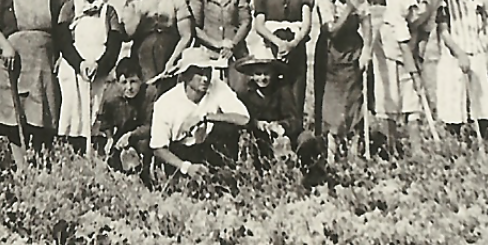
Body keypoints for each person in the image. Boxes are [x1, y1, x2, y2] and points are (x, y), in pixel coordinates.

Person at [0, 0, 68, 169]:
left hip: (43, 61)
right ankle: (22, 168)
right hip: (13, 61)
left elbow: (63, 28)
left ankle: (43, 166)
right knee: (15, 115)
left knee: (43, 112)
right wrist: (6, 47)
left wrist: (61, 56)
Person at [373, 0, 445, 153]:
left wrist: (418, 60)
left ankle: (417, 148)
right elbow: (401, 36)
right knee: (391, 97)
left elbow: (425, 32)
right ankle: (391, 146)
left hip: (411, 44)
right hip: (388, 46)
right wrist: (413, 71)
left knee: (413, 97)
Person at [56, 0, 125, 153]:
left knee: (97, 109)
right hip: (74, 66)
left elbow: (114, 42)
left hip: (99, 67)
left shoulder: (108, 10)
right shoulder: (70, 7)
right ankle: (72, 154)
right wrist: (80, 64)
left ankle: (97, 154)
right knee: (74, 110)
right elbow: (63, 40)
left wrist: (100, 65)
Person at [150, 47, 250, 179]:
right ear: (185, 75)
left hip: (208, 149)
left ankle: (225, 174)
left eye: (207, 71)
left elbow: (244, 118)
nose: (205, 78)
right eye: (198, 72)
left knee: (226, 127)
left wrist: (206, 117)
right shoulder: (166, 102)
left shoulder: (217, 86)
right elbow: (158, 148)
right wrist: (186, 167)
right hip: (180, 155)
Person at [233, 55, 326, 185]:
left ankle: (309, 179)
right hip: (258, 138)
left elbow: (295, 119)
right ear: (252, 76)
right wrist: (256, 124)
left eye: (266, 74)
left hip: (284, 136)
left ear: (274, 74)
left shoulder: (282, 89)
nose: (262, 78)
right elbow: (240, 117)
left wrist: (281, 126)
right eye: (258, 74)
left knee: (307, 139)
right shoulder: (246, 93)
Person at [250, 0, 314, 119]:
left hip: (296, 48)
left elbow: (306, 23)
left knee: (296, 92)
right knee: (274, 92)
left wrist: (292, 44)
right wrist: (279, 43)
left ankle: (295, 138)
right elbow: (259, 25)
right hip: (272, 48)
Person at [436, 0, 488, 140]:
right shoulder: (443, 0)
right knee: (454, 97)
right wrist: (459, 53)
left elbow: (485, 28)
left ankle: (482, 136)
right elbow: (444, 31)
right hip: (454, 54)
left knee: (481, 97)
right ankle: (455, 139)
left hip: (477, 51)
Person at [312, 0, 372, 151]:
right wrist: (347, 10)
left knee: (354, 97)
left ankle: (355, 145)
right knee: (332, 99)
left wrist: (367, 50)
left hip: (352, 47)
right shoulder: (325, 0)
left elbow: (367, 23)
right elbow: (332, 31)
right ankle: (331, 147)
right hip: (331, 51)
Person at [121, 0, 194, 97]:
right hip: (143, 61)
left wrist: (172, 61)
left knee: (171, 98)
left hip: (171, 57)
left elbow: (187, 35)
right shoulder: (135, 2)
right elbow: (127, 35)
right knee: (147, 99)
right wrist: (138, 13)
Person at [187, 0, 253, 92]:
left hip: (235, 52)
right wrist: (218, 44)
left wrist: (232, 45)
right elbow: (195, 27)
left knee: (240, 92)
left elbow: (246, 21)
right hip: (207, 52)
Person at [91, 59, 152, 176]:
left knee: (145, 145)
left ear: (142, 80)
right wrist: (108, 137)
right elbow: (102, 122)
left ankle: (145, 175)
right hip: (120, 138)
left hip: (141, 137)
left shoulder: (149, 94)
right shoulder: (111, 96)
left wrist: (132, 135)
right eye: (124, 82)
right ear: (117, 82)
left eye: (133, 82)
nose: (129, 87)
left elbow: (152, 125)